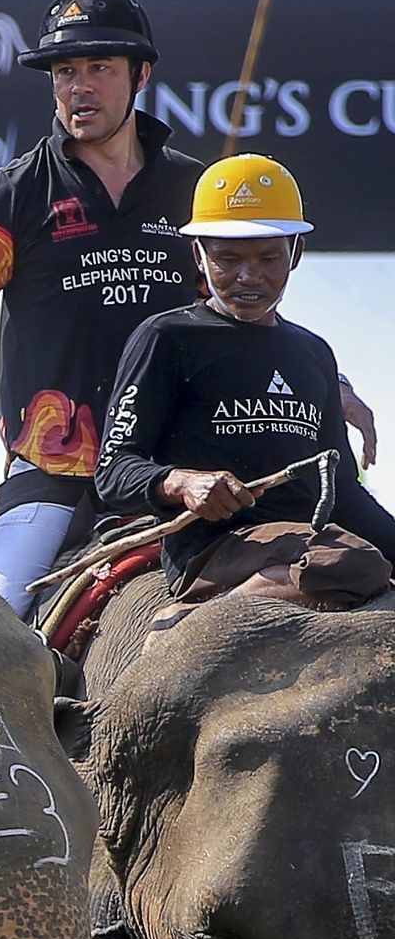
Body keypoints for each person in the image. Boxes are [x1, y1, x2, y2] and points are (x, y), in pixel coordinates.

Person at [0, 0, 204, 616]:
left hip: (182, 471)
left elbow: (248, 314)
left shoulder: (197, 191)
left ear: (142, 74)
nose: (80, 87)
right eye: (65, 71)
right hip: (54, 477)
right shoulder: (6, 198)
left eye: (100, 68)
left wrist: (328, 383)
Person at [93, 152, 395, 617]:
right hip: (214, 550)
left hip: (305, 546)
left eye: (268, 258)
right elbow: (114, 471)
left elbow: (341, 488)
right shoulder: (166, 337)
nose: (248, 277)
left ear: (295, 253)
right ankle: (193, 623)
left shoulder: (314, 353)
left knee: (348, 556)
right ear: (199, 254)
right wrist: (181, 483)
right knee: (350, 560)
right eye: (228, 259)